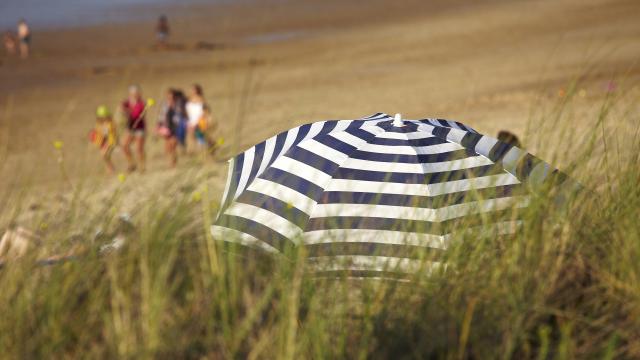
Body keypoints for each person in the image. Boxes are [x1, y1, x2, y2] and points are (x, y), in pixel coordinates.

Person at [122, 85, 147, 172]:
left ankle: (142, 166)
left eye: (136, 93)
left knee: (139, 149)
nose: (135, 95)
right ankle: (131, 163)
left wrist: (128, 112)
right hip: (129, 127)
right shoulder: (126, 103)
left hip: (139, 128)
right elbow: (122, 111)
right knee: (125, 146)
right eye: (133, 93)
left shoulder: (141, 103)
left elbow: (137, 115)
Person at [91, 105, 118, 175]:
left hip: (110, 141)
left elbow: (109, 132)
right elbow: (97, 132)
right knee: (104, 156)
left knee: (104, 154)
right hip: (103, 142)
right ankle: (110, 168)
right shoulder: (99, 124)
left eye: (104, 116)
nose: (103, 118)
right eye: (101, 117)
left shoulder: (111, 123)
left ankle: (111, 168)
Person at [186, 84, 205, 153]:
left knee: (200, 136)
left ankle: (203, 151)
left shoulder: (201, 99)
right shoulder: (189, 99)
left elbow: (202, 111)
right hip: (191, 121)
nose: (193, 91)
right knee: (193, 137)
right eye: (192, 89)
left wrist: (197, 122)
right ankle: (198, 151)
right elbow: (188, 111)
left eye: (194, 89)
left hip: (199, 121)